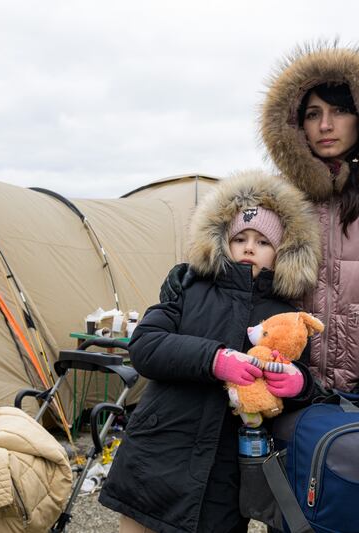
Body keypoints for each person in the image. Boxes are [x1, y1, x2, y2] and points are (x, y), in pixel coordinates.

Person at [162, 42, 359, 411]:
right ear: (297, 124)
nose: (325, 125)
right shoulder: (276, 194)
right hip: (287, 389)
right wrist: (196, 274)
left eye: (340, 110)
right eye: (313, 113)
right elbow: (245, 259)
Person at [98, 169, 321, 533]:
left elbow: (301, 384)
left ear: (283, 253)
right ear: (222, 243)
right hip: (159, 452)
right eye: (241, 238)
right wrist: (216, 359)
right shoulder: (190, 288)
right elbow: (145, 346)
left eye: (263, 241)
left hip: (225, 474)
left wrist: (299, 386)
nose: (250, 247)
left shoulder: (287, 315)